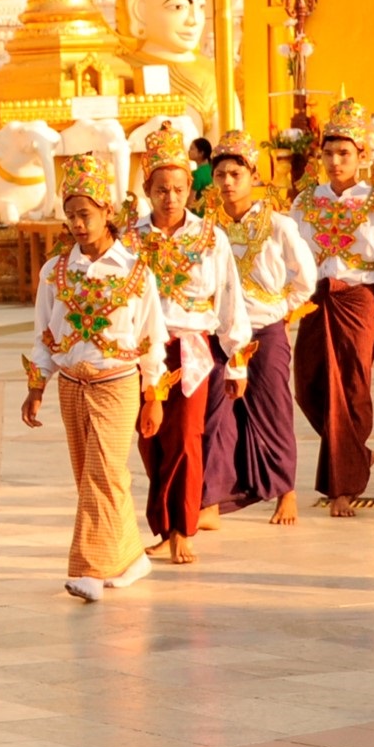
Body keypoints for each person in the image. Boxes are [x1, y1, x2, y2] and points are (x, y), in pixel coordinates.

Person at [22, 153, 167, 604]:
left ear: (108, 212)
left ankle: (87, 568)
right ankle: (129, 559)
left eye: (85, 214)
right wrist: (36, 385)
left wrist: (153, 394)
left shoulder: (136, 272)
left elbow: (152, 337)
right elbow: (45, 333)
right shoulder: (54, 272)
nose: (77, 225)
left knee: (102, 472)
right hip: (70, 383)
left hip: (117, 383)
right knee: (92, 474)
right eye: (69, 216)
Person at [129, 123, 251, 565]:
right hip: (144, 354)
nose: (170, 197)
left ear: (189, 189)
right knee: (151, 440)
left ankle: (184, 527)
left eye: (179, 188)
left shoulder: (209, 236)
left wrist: (236, 361)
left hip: (192, 350)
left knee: (186, 438)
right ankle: (163, 527)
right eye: (161, 188)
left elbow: (230, 296)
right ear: (147, 189)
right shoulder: (130, 240)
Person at [290, 95, 374, 518]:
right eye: (329, 153)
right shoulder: (303, 202)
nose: (335, 161)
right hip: (316, 302)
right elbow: (292, 260)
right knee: (308, 386)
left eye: (344, 153)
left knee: (352, 390)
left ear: (361, 156)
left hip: (357, 302)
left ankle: (343, 486)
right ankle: (355, 451)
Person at [201, 130, 317, 527]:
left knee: (273, 409)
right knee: (219, 416)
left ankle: (286, 490)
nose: (228, 183)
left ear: (253, 175)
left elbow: (306, 279)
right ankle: (214, 498)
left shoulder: (279, 225)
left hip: (264, 330)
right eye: (220, 175)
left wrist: (281, 311)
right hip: (221, 335)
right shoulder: (205, 229)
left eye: (235, 173)